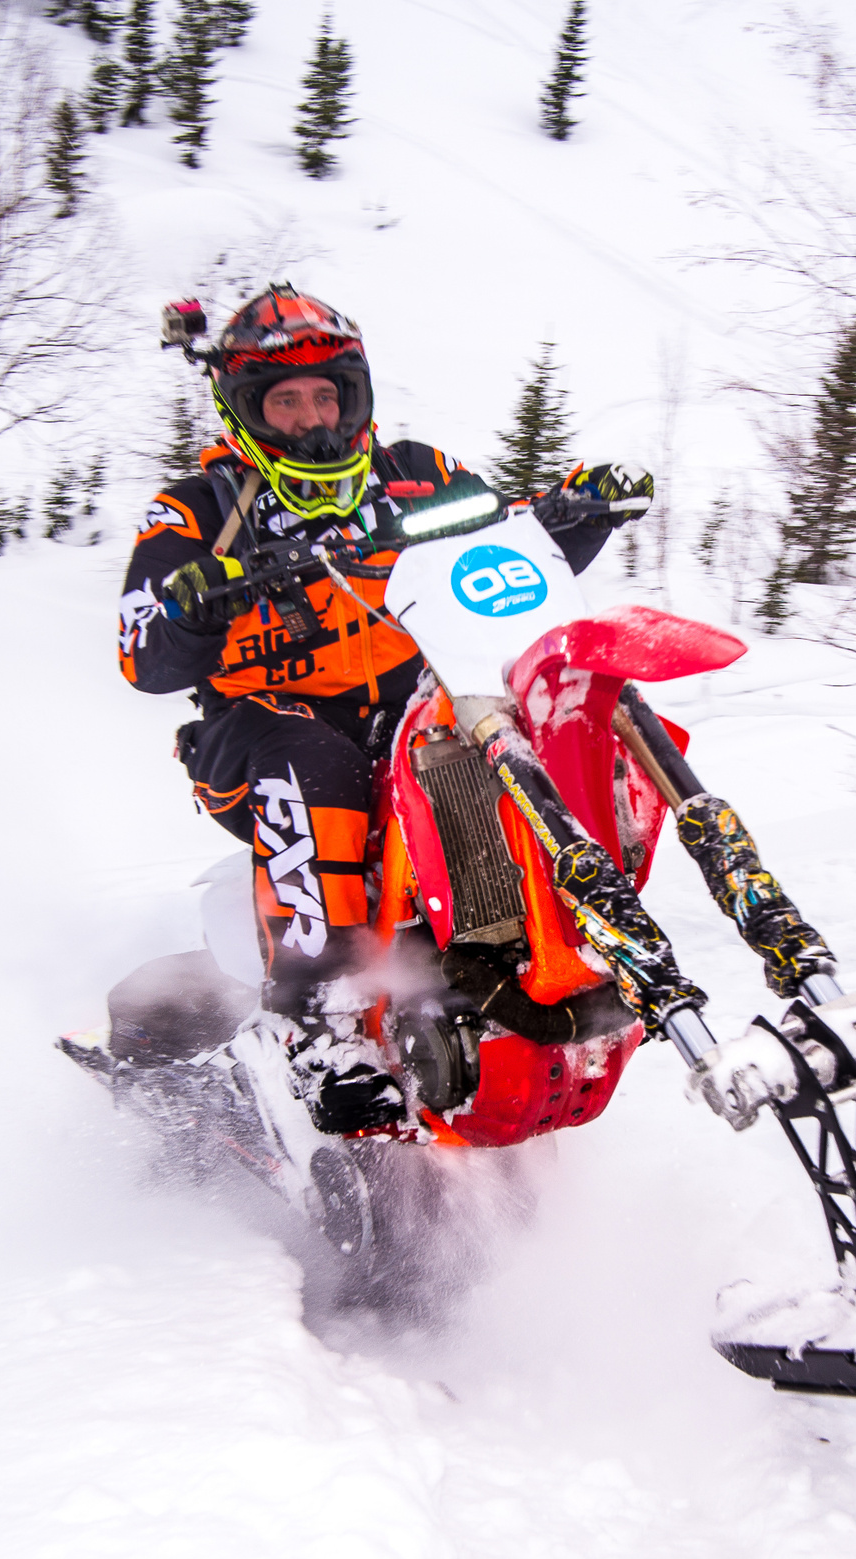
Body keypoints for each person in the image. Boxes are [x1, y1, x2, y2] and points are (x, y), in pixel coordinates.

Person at [118, 284, 653, 1133]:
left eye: (326, 396)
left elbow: (505, 549)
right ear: (246, 412)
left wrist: (573, 514)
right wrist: (197, 597)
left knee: (536, 716)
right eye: (285, 402)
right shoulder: (200, 507)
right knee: (315, 762)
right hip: (261, 736)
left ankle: (581, 942)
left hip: (411, 723)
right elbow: (141, 649)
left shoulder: (416, 474)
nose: (311, 420)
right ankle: (320, 1028)